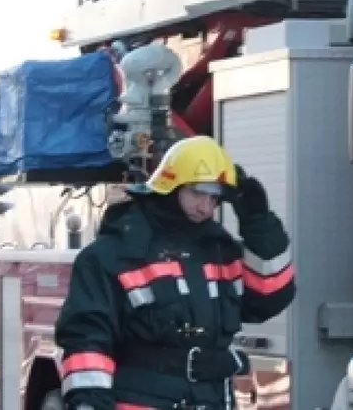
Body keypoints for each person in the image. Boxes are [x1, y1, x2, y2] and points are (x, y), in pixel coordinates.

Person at [54, 136, 296, 409]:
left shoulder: (220, 250)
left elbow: (268, 298)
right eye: (197, 192)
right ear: (169, 187)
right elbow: (87, 344)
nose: (205, 207)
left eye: (214, 198)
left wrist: (259, 225)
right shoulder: (113, 254)